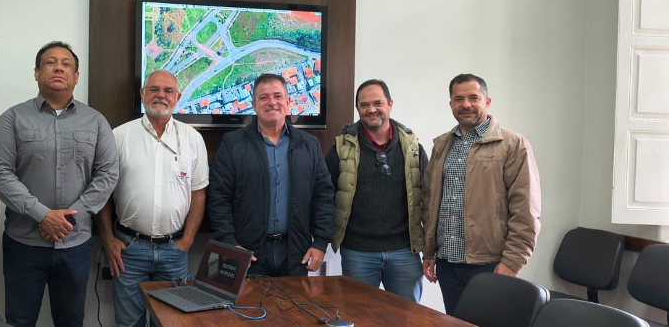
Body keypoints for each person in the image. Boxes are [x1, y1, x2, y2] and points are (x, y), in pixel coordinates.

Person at [0, 41, 119, 327]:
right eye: (50, 62)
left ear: (76, 76)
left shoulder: (96, 122)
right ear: (36, 72)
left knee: (70, 321)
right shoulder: (12, 119)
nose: (58, 67)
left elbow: (107, 174)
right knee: (20, 321)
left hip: (76, 245)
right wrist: (43, 216)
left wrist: (69, 219)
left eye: (66, 64)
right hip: (24, 245)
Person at [421, 73, 541, 315]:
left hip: (490, 264)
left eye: (473, 97)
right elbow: (430, 201)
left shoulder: (513, 145)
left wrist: (511, 263)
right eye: (458, 99)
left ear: (487, 102)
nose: (466, 104)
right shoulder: (443, 145)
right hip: (447, 264)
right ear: (451, 104)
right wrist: (430, 252)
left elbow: (526, 211)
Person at [96, 70, 209, 327]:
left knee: (172, 323)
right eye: (154, 89)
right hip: (128, 250)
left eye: (168, 91)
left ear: (177, 97)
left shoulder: (193, 139)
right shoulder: (119, 136)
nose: (161, 95)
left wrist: (188, 238)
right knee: (129, 324)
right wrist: (108, 239)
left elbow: (198, 193)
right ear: (142, 94)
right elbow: (102, 192)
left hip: (174, 251)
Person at [208, 73, 335, 277]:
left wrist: (320, 243)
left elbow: (324, 197)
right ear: (254, 105)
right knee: (244, 310)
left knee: (293, 309)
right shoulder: (232, 144)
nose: (272, 102)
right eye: (264, 97)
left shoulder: (309, 145)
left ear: (288, 101)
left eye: (277, 96)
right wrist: (230, 243)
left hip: (295, 255)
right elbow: (218, 197)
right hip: (247, 255)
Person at [325, 79, 428, 302]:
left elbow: (428, 198)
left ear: (390, 104)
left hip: (405, 251)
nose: (371, 109)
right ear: (358, 109)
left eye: (378, 103)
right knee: (359, 316)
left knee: (407, 319)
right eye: (364, 105)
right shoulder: (341, 148)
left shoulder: (413, 148)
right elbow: (325, 197)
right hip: (357, 252)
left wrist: (430, 249)